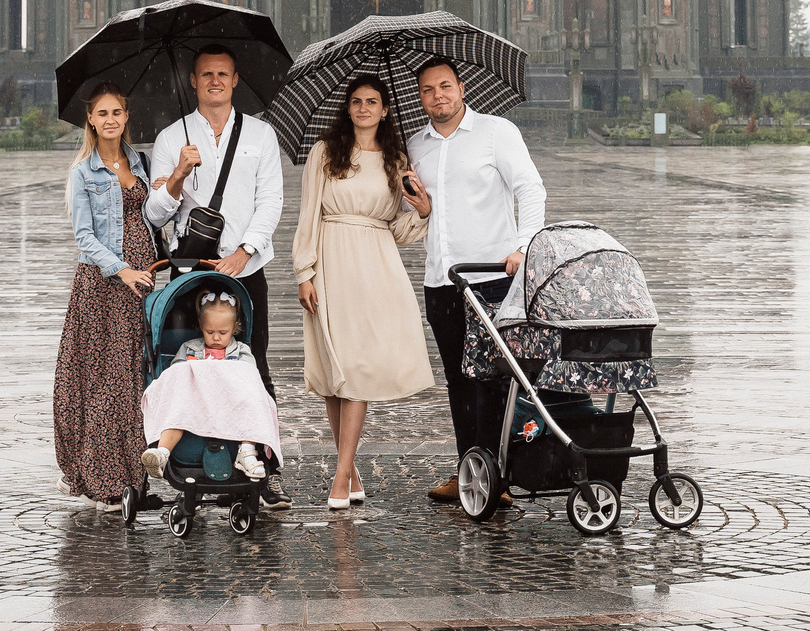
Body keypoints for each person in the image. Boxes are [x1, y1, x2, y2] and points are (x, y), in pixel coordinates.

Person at [144, 45, 288, 504]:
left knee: (252, 365)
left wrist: (246, 252)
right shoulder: (172, 137)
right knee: (189, 366)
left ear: (235, 79)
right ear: (193, 81)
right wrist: (179, 174)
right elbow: (155, 212)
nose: (215, 82)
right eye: (206, 74)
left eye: (222, 74)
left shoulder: (261, 135)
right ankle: (197, 463)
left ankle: (263, 469)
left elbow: (272, 201)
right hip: (192, 273)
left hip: (246, 269)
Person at [405, 57, 545, 503]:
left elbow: (530, 189)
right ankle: (470, 468)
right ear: (420, 97)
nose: (437, 96)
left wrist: (523, 247)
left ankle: (500, 473)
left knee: (495, 379)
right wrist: (420, 206)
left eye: (445, 86)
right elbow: (419, 213)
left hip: (491, 278)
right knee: (458, 379)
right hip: (441, 280)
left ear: (462, 88)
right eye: (428, 90)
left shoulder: (495, 133)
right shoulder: (416, 145)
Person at [293, 73, 433, 507]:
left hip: (375, 264)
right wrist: (304, 271)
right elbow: (309, 213)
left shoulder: (396, 160)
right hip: (330, 260)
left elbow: (400, 230)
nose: (363, 108)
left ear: (385, 109)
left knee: (355, 369)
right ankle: (350, 471)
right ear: (347, 107)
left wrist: (423, 212)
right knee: (336, 374)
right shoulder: (324, 152)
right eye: (356, 101)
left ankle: (339, 477)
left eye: (372, 101)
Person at [52, 87, 163, 504]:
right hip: (102, 288)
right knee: (102, 380)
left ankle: (136, 479)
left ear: (126, 115)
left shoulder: (142, 163)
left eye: (118, 111)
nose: (111, 119)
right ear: (92, 121)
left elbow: (152, 217)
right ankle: (105, 482)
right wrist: (123, 269)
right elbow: (84, 238)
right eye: (103, 113)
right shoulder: (83, 172)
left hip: (143, 286)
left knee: (133, 378)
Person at [138, 290, 280, 483]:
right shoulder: (189, 348)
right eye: (209, 332)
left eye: (223, 333)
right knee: (177, 412)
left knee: (253, 400)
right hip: (196, 403)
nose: (215, 338)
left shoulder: (240, 351)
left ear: (235, 328)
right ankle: (163, 452)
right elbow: (176, 376)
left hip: (231, 404)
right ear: (201, 327)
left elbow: (248, 380)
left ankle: (247, 451)